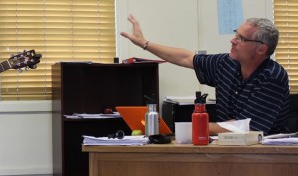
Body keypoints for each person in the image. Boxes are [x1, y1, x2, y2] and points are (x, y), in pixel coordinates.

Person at [121, 14, 290, 136]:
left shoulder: (272, 76)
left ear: (261, 49)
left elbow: (249, 128)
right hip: (224, 148)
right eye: (235, 34)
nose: (232, 40)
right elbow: (186, 57)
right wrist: (144, 43)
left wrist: (193, 128)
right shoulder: (226, 63)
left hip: (264, 157)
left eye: (241, 38)